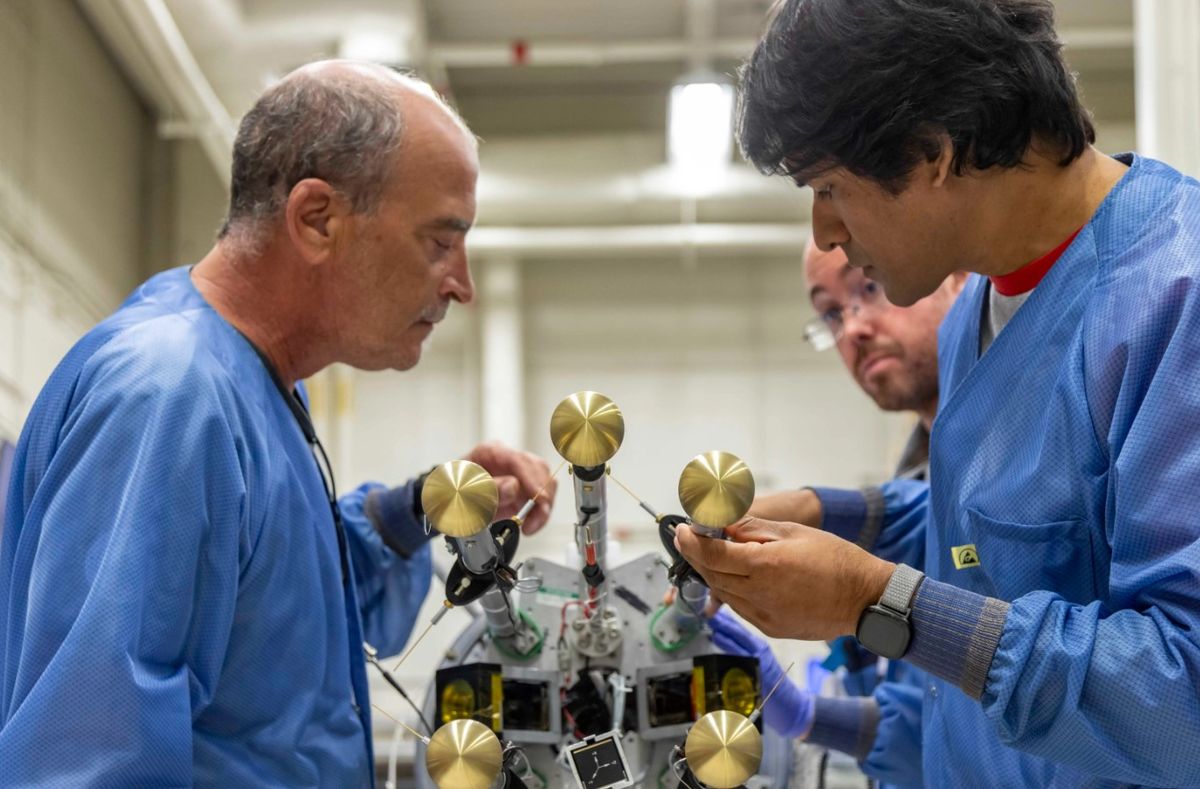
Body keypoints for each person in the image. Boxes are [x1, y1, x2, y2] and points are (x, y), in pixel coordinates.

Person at [678, 1, 1200, 786]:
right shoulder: (974, 319)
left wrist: (876, 602)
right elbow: (1012, 536)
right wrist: (832, 515)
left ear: (932, 151)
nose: (824, 232)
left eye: (828, 186)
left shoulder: (1173, 300)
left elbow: (1180, 692)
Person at [0, 61, 557, 786]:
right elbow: (88, 754)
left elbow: (281, 621)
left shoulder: (246, 387)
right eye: (439, 241)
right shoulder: (168, 394)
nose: (462, 284)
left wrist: (412, 508)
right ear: (317, 219)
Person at [709, 243, 962, 788]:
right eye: (830, 313)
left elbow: (988, 730)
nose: (852, 329)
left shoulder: (1018, 454)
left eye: (869, 286)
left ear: (961, 277)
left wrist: (808, 716)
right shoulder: (921, 473)